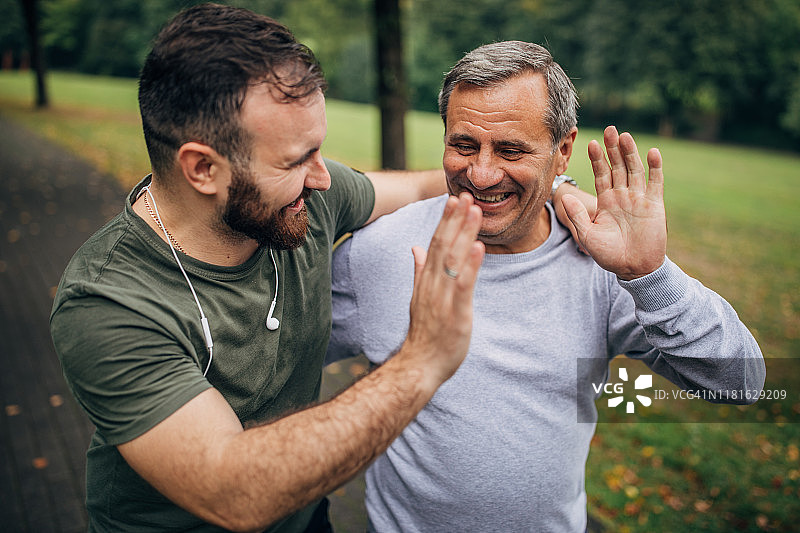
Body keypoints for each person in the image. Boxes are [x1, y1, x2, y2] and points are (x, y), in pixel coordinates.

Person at [48, 4, 494, 532]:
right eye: (294, 160)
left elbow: (422, 187)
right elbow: (232, 492)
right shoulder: (108, 302)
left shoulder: (303, 201)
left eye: (318, 150)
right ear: (203, 169)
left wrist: (555, 191)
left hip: (304, 518)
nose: (323, 178)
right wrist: (421, 361)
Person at [326, 41, 765, 532]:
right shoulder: (379, 250)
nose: (481, 173)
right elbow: (283, 363)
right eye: (463, 144)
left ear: (562, 151)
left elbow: (742, 383)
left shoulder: (602, 266)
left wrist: (649, 274)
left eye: (511, 149)